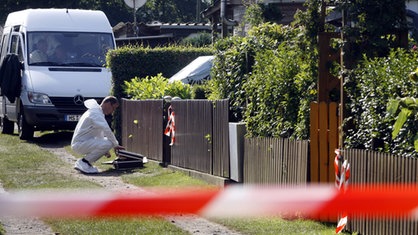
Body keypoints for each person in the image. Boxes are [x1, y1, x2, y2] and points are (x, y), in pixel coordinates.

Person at [71, 96, 124, 174]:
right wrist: (116, 145)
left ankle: (85, 163)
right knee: (110, 142)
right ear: (108, 104)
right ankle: (84, 162)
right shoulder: (95, 113)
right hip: (79, 144)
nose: (113, 111)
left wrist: (105, 150)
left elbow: (99, 133)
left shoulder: (96, 112)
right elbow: (107, 130)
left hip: (82, 143)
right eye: (113, 108)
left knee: (108, 142)